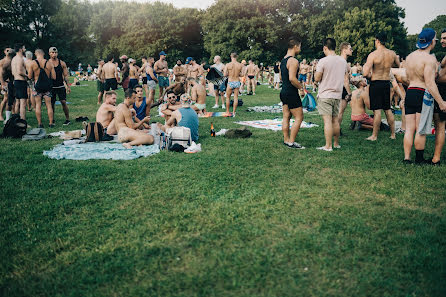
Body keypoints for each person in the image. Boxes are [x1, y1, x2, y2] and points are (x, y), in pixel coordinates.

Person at [403, 28, 446, 164]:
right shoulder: (430, 59)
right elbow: (430, 83)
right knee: (420, 129)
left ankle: (407, 158)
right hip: (422, 93)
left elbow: (407, 78)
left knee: (409, 128)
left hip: (410, 91)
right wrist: (441, 102)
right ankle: (419, 159)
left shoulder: (409, 57)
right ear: (432, 41)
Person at [363, 32, 399, 141]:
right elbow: (398, 65)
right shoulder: (392, 54)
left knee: (377, 111)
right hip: (386, 83)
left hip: (376, 83)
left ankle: (374, 136)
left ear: (377, 41)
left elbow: (365, 73)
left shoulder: (373, 55)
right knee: (387, 109)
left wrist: (371, 76)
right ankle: (393, 134)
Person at [314, 38, 348, 152]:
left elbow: (317, 78)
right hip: (337, 95)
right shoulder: (343, 61)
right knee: (335, 121)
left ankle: (328, 146)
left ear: (325, 48)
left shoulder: (323, 61)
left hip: (325, 94)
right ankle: (336, 143)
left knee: (327, 121)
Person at [279, 37, 305, 149]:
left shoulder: (283, 61)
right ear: (295, 46)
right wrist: (301, 88)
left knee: (286, 116)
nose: (300, 49)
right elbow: (292, 79)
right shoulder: (293, 61)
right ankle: (291, 142)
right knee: (299, 117)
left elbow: (281, 77)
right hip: (291, 91)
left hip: (283, 91)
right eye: (299, 47)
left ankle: (286, 139)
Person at [27, 49, 55, 128]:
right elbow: (54, 77)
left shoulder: (33, 63)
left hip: (37, 87)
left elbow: (29, 76)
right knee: (49, 105)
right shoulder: (49, 63)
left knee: (38, 105)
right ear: (43, 54)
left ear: (36, 54)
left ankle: (40, 124)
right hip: (47, 87)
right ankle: (51, 123)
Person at [433, 28, 446, 165]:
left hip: (444, 92)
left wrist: (435, 78)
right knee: (439, 125)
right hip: (441, 90)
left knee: (440, 125)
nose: (442, 40)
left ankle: (436, 158)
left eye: (445, 38)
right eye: (442, 38)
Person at [49, 47, 71, 125]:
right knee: (52, 103)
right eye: (52, 52)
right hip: (51, 87)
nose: (54, 54)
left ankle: (67, 119)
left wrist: (68, 86)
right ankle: (52, 119)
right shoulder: (47, 63)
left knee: (63, 102)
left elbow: (65, 76)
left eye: (55, 53)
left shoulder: (62, 63)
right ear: (49, 53)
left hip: (60, 86)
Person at [337, 42, 353, 130]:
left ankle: (335, 129)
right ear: (344, 50)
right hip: (342, 88)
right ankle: (337, 130)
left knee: (337, 111)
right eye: (350, 49)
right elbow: (345, 80)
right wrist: (350, 93)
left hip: (336, 87)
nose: (352, 51)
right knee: (340, 111)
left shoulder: (338, 60)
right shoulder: (343, 62)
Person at [11, 44, 28, 120]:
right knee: (23, 103)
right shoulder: (20, 59)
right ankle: (22, 121)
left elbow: (13, 72)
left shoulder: (13, 59)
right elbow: (19, 71)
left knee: (17, 102)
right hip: (21, 82)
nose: (25, 49)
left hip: (16, 81)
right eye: (24, 48)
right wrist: (27, 76)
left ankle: (16, 120)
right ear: (21, 49)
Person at [0, 48, 14, 123]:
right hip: (4, 82)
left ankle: (10, 115)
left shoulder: (13, 60)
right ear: (4, 52)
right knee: (5, 98)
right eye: (7, 50)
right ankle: (0, 115)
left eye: (10, 50)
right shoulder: (2, 61)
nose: (9, 51)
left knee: (10, 99)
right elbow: (0, 74)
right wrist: (2, 83)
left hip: (10, 82)